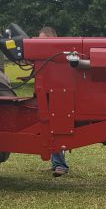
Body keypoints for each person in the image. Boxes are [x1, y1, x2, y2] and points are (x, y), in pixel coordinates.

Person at [39, 26, 70, 177]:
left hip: (58, 95)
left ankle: (60, 165)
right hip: (46, 94)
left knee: (55, 128)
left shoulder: (58, 56)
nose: (40, 44)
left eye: (43, 41)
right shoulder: (44, 58)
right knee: (50, 128)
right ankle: (56, 163)